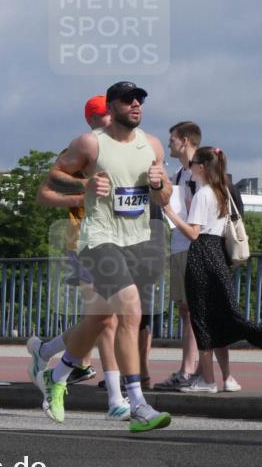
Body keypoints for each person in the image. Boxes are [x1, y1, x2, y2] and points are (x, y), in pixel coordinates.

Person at [35, 81, 173, 433]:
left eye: (140, 99)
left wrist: (159, 184)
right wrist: (83, 187)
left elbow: (164, 199)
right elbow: (49, 183)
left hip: (138, 241)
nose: (136, 105)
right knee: (130, 309)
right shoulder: (91, 143)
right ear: (112, 108)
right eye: (128, 100)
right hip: (98, 239)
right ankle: (136, 403)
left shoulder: (152, 145)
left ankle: (59, 373)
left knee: (100, 320)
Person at [30, 95, 129, 421]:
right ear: (92, 119)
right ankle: (116, 398)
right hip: (82, 243)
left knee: (105, 319)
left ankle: (46, 350)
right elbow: (43, 195)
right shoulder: (77, 152)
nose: (110, 119)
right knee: (107, 320)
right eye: (104, 115)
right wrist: (81, 193)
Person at [163, 146, 262, 392]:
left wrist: (171, 213)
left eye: (192, 164)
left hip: (201, 254)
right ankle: (228, 378)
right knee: (220, 316)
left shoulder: (203, 194)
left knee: (201, 317)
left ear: (201, 166)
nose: (189, 168)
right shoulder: (222, 191)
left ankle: (208, 380)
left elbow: (193, 233)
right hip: (219, 255)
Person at [154, 122, 203, 391]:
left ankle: (192, 370)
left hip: (193, 245)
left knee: (193, 311)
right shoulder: (183, 172)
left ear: (184, 140)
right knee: (186, 310)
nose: (169, 143)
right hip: (180, 244)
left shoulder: (198, 170)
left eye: (171, 139)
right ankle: (188, 368)